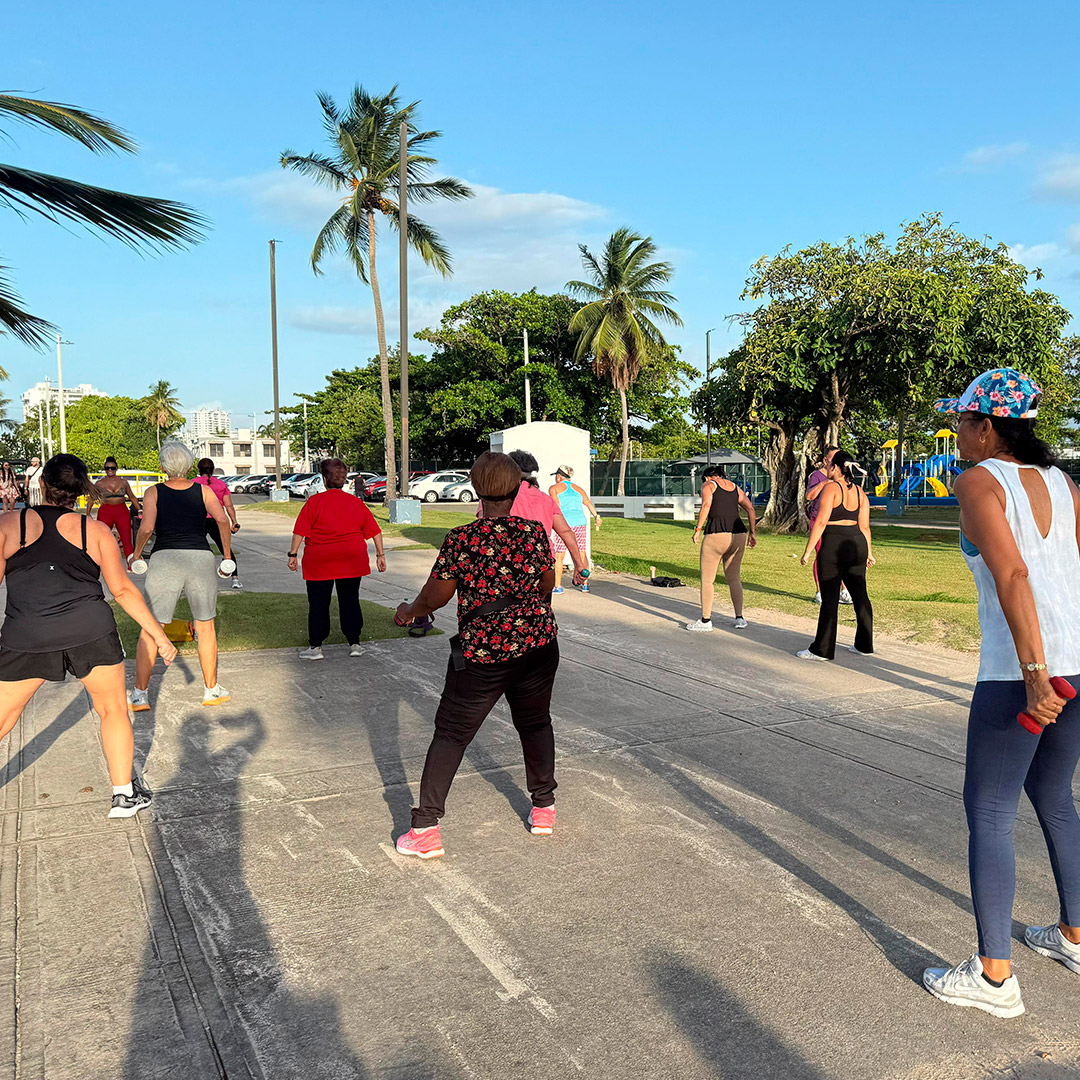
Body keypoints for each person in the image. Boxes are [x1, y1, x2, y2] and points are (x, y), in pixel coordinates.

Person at [922, 368, 1080, 1018]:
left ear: (989, 428)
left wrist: (1036, 672)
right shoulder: (1065, 486)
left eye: (962, 421)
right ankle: (1073, 935)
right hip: (1079, 665)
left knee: (989, 811)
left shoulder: (979, 480)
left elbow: (1012, 570)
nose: (956, 431)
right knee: (1052, 794)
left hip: (1022, 673)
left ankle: (994, 978)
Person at [394, 452, 559, 859]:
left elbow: (437, 595)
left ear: (477, 488)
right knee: (535, 723)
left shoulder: (462, 539)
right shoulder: (533, 533)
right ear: (518, 487)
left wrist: (409, 612)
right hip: (538, 644)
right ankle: (543, 808)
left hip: (484, 652)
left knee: (451, 733)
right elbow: (547, 583)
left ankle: (426, 827)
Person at [0, 454, 177, 817]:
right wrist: (159, 636)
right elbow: (123, 590)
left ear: (43, 484)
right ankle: (124, 795)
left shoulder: (8, 524)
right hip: (90, 631)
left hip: (26, 634)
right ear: (83, 489)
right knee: (112, 710)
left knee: (3, 715)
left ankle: (126, 793)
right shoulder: (93, 530)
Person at [129, 441, 232, 710]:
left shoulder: (154, 492)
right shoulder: (204, 491)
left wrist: (137, 554)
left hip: (165, 559)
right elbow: (223, 520)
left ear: (163, 467)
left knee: (152, 627)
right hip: (200, 558)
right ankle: (211, 690)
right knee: (205, 626)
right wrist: (228, 556)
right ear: (188, 466)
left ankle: (140, 694)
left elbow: (147, 526)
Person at [288, 457, 386, 660]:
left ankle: (316, 647)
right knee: (350, 600)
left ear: (324, 480)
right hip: (351, 559)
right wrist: (380, 555)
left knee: (318, 603)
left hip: (320, 561)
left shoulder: (314, 502)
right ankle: (355, 643)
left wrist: (293, 554)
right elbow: (375, 531)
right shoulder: (355, 503)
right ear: (344, 480)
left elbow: (300, 531)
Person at [798, 451, 874, 660]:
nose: (828, 468)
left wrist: (807, 550)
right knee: (860, 595)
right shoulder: (860, 492)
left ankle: (821, 649)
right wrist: (869, 552)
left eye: (831, 465)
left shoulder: (831, 488)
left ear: (836, 468)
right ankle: (864, 644)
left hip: (834, 543)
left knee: (830, 598)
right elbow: (865, 526)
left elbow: (821, 522)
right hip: (856, 543)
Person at [478, 450, 588, 586]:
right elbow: (566, 532)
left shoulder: (496, 498)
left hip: (506, 562)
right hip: (543, 563)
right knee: (539, 605)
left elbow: (483, 526)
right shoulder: (546, 500)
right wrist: (578, 564)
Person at [686, 465, 757, 632]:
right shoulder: (735, 488)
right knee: (734, 578)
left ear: (709, 477)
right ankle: (740, 618)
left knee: (708, 579)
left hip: (717, 533)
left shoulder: (709, 485)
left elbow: (706, 505)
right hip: (739, 534)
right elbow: (751, 509)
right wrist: (753, 533)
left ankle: (705, 620)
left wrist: (698, 530)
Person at [806, 447, 852, 606]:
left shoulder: (843, 478)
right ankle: (820, 592)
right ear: (826, 461)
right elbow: (809, 496)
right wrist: (826, 482)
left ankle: (843, 590)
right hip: (819, 519)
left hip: (837, 521)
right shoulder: (816, 476)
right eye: (834, 459)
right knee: (821, 555)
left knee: (840, 556)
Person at [548, 464, 600, 593]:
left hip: (564, 524)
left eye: (556, 476)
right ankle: (585, 584)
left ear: (559, 477)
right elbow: (587, 502)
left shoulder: (554, 488)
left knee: (560, 554)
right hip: (580, 523)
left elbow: (556, 506)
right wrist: (596, 516)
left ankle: (558, 586)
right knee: (581, 552)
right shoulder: (578, 489)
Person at [193, 458, 242, 590]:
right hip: (217, 520)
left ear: (198, 470)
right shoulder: (221, 484)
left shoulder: (193, 483)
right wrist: (234, 522)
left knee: (194, 549)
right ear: (213, 470)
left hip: (199, 520)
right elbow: (229, 505)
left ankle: (193, 579)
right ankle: (235, 579)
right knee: (225, 548)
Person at [87, 456, 140, 559]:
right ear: (104, 469)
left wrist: (140, 510)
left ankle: (131, 564)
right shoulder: (100, 483)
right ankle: (100, 563)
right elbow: (91, 499)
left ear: (116, 469)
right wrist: (88, 513)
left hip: (122, 511)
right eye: (107, 468)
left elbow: (132, 497)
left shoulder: (123, 482)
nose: (110, 470)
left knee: (126, 539)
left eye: (112, 468)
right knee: (102, 538)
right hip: (106, 511)